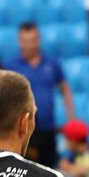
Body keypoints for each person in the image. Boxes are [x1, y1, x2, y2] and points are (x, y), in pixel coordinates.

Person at [11, 23, 75, 168]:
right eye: (25, 40)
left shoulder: (52, 63)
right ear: (19, 41)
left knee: (48, 169)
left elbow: (64, 89)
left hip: (48, 127)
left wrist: (71, 117)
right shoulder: (11, 65)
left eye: (33, 40)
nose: (30, 45)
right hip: (23, 129)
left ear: (38, 39)